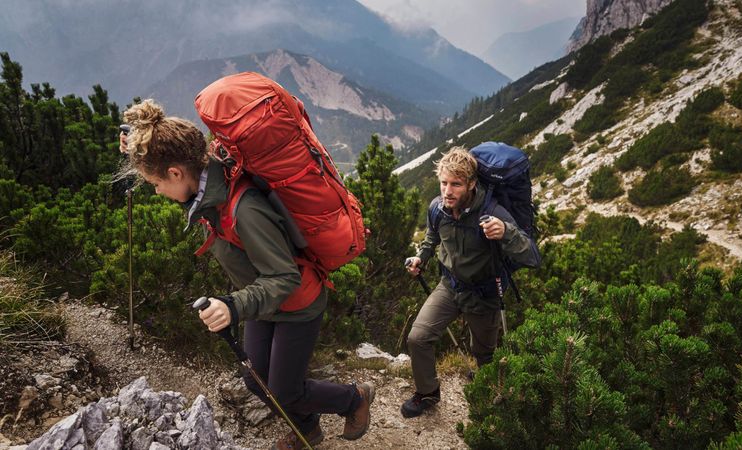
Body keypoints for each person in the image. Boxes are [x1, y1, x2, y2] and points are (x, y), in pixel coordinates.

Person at [119, 99, 374, 449]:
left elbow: (285, 277)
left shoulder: (244, 210)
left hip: (297, 302)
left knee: (286, 389)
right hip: (262, 300)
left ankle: (354, 398)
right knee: (256, 380)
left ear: (176, 173)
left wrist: (232, 306)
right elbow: (181, 172)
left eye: (154, 181)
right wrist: (139, 145)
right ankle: (308, 428)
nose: (156, 190)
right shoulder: (207, 183)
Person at [402, 146, 539, 418]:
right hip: (450, 286)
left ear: (472, 184)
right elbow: (432, 237)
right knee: (418, 338)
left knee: (484, 354)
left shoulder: (493, 213)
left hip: (483, 293)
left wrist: (506, 231)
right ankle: (428, 393)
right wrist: (421, 258)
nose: (447, 191)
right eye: (443, 183)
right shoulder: (438, 209)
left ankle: (490, 402)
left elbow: (532, 257)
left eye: (456, 184)